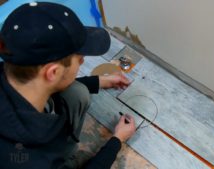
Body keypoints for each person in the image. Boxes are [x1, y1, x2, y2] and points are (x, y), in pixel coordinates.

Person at [0, 2, 136, 169]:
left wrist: (98, 81)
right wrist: (117, 140)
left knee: (77, 92)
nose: (82, 61)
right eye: (79, 59)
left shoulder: (11, 73)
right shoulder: (33, 160)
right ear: (53, 72)